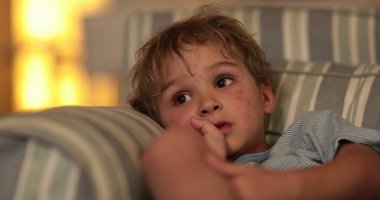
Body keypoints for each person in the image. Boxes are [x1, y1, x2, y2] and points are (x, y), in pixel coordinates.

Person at [127, 7, 380, 200]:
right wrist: (204, 158)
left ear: (265, 97)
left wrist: (286, 188)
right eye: (181, 98)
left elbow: (371, 171)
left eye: (223, 81)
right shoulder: (177, 159)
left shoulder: (310, 131)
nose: (207, 104)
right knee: (169, 148)